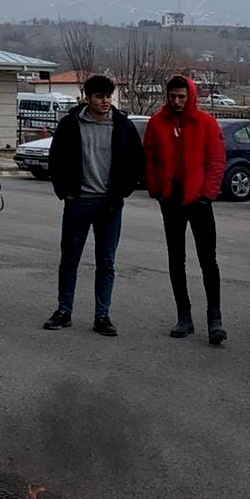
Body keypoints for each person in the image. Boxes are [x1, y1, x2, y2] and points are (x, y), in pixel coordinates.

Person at [43, 75, 145, 335]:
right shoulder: (70, 125)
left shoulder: (123, 126)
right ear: (88, 98)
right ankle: (64, 311)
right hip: (78, 203)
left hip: (109, 205)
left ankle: (102, 316)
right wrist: (65, 192)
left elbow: (137, 162)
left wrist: (122, 191)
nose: (105, 101)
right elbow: (56, 160)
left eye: (109, 96)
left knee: (106, 262)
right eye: (100, 96)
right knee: (69, 259)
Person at [143, 75, 228, 345]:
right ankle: (184, 317)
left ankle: (215, 319)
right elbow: (150, 158)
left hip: (199, 200)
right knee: (176, 259)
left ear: (190, 95)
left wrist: (207, 195)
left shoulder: (206, 123)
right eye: (173, 96)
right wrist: (157, 189)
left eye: (182, 96)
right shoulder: (157, 123)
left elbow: (216, 161)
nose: (177, 101)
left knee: (207, 260)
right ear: (167, 96)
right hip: (171, 199)